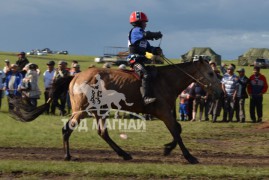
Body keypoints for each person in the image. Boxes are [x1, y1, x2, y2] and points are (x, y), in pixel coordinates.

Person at [127, 11, 163, 105]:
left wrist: (156, 50)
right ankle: (146, 98)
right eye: (144, 22)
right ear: (139, 22)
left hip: (141, 60)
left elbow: (149, 48)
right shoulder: (136, 31)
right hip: (134, 60)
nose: (146, 24)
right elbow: (146, 35)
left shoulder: (143, 40)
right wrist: (156, 34)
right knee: (145, 74)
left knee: (154, 72)